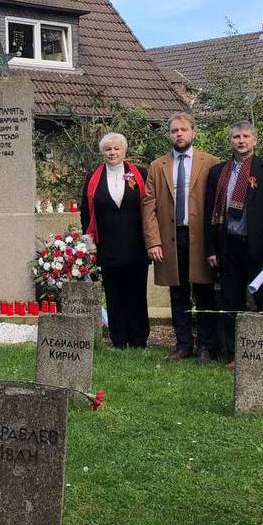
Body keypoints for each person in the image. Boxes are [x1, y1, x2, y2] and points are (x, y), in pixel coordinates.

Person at [203, 121, 263, 365]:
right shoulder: (218, 172)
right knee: (231, 301)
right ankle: (234, 354)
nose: (241, 141)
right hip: (228, 245)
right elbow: (209, 212)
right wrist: (211, 249)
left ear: (255, 140)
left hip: (259, 246)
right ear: (230, 140)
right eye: (236, 137)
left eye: (246, 136)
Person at [142, 113, 220, 363]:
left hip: (201, 238)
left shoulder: (211, 163)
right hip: (171, 238)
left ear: (193, 132)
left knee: (205, 291)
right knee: (178, 292)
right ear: (169, 134)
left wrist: (216, 243)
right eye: (174, 130)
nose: (179, 134)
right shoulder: (158, 166)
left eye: (183, 130)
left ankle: (206, 346)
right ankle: (183, 344)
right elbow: (148, 206)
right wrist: (153, 241)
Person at [80, 132, 149, 348]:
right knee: (114, 294)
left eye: (116, 148)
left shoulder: (141, 174)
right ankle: (118, 339)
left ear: (124, 151)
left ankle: (139, 339)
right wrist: (90, 246)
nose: (112, 152)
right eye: (108, 149)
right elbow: (85, 214)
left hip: (136, 245)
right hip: (107, 246)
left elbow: (150, 208)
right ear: (102, 152)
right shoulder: (93, 178)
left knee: (137, 293)